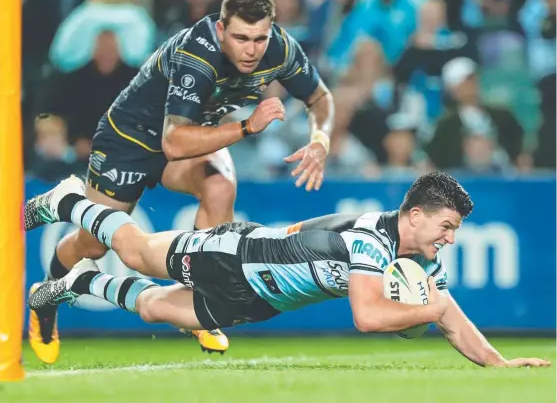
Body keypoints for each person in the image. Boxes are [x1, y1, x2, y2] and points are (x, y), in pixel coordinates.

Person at [29, 0, 335, 363]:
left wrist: (320, 139)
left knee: (220, 184)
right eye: (240, 38)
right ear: (222, 30)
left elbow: (320, 98)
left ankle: (196, 303)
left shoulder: (282, 49)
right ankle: (47, 294)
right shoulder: (198, 52)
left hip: (195, 134)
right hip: (131, 138)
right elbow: (172, 142)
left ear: (271, 31)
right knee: (92, 245)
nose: (251, 50)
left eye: (260, 39)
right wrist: (246, 129)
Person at [26, 173, 550, 368]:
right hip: (234, 255)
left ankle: (78, 283)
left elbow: (449, 312)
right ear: (416, 215)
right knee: (138, 252)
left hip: (258, 299)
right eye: (447, 225)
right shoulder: (370, 242)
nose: (451, 238)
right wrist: (429, 308)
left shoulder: (415, 254)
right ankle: (70, 199)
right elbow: (368, 317)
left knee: (152, 308)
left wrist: (497, 364)